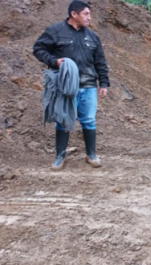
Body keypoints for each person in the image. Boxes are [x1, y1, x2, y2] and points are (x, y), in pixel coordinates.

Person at [33, 0, 109, 170]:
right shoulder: (55, 31)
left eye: (89, 14)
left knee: (89, 120)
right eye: (86, 14)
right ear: (74, 14)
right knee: (63, 120)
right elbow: (38, 49)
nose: (89, 17)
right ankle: (60, 156)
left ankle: (91, 155)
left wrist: (103, 83)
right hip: (66, 86)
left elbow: (100, 62)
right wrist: (54, 61)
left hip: (89, 85)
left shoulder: (92, 36)